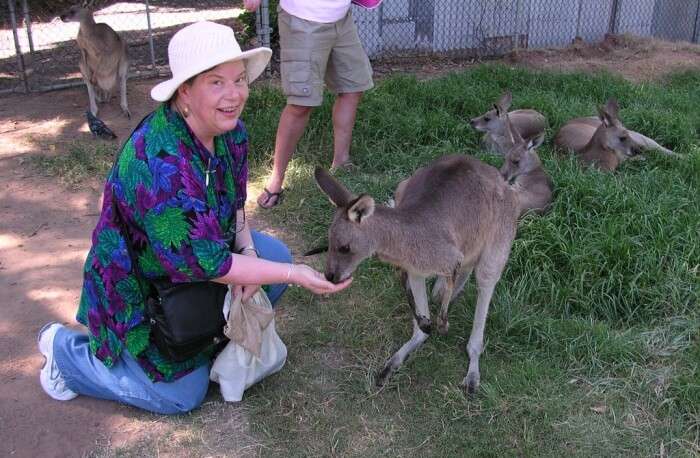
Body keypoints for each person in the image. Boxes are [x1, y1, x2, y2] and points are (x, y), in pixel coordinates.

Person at [37, 21, 351, 415]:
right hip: (142, 286)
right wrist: (295, 276)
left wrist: (250, 251)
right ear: (184, 90)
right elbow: (207, 263)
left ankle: (204, 337)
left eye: (239, 79)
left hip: (197, 258)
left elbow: (235, 207)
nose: (234, 94)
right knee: (181, 397)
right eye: (216, 82)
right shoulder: (160, 160)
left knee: (273, 259)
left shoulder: (231, 133)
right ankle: (65, 354)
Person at [244, 0, 375, 209]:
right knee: (300, 103)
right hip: (303, 19)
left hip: (341, 19)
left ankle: (341, 162)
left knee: (352, 88)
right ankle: (276, 180)